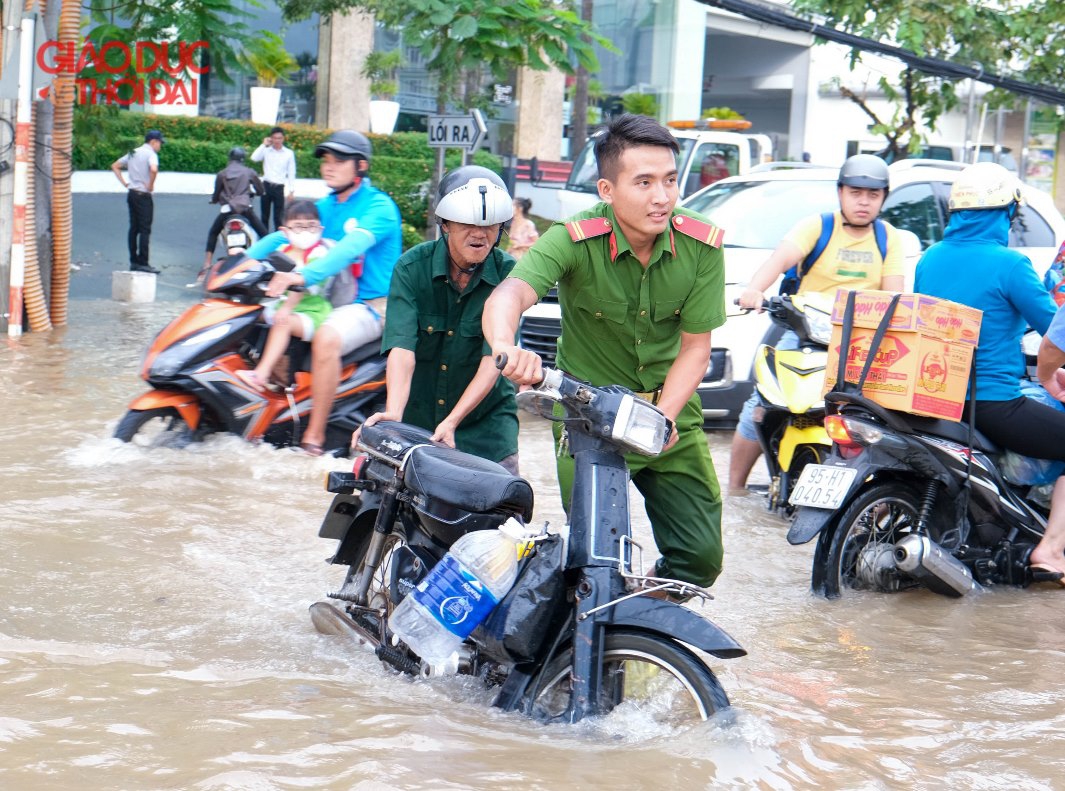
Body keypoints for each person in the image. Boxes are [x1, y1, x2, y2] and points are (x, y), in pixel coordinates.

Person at [483, 113, 727, 590]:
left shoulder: (702, 246)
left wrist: (665, 417)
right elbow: (508, 295)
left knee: (701, 560)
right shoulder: (573, 238)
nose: (662, 197)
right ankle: (598, 641)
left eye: (671, 181)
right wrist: (505, 346)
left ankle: (643, 624)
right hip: (589, 419)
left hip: (668, 415)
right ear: (607, 190)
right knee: (596, 559)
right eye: (644, 182)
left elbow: (696, 350)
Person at [918, 161, 1065, 580]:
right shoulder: (1011, 265)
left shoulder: (930, 259)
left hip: (936, 400)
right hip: (993, 404)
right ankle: (1051, 550)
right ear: (1005, 214)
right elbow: (1054, 329)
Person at [728, 154, 905, 492]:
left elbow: (895, 296)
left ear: (883, 197)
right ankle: (734, 489)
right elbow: (778, 261)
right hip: (805, 334)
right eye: (855, 192)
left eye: (872, 194)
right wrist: (754, 289)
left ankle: (876, 494)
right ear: (840, 193)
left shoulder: (889, 238)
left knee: (881, 416)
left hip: (859, 345)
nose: (863, 201)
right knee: (763, 401)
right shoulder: (817, 227)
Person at [245, 130, 402, 456]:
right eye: (326, 160)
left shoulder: (379, 207)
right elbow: (286, 235)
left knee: (327, 336)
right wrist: (239, 264)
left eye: (339, 160)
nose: (328, 167)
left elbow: (348, 249)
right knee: (261, 319)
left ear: (360, 166)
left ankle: (313, 436)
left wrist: (300, 275)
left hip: (373, 306)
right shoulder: (326, 207)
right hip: (330, 301)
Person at [355, 166, 519, 473]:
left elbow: (493, 359)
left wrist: (453, 421)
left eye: (490, 225)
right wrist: (393, 411)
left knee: (505, 510)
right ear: (445, 224)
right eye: (467, 223)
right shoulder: (411, 268)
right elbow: (402, 349)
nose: (479, 234)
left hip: (486, 429)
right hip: (419, 420)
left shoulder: (510, 275)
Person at [237, 201, 346, 393]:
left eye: (310, 226)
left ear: (320, 228)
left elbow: (302, 286)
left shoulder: (319, 255)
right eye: (298, 226)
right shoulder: (283, 251)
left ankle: (260, 375)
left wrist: (286, 308)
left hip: (311, 312)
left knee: (283, 323)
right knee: (248, 315)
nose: (305, 231)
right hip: (283, 306)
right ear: (285, 230)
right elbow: (263, 270)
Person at [202, 147, 269, 271]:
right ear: (242, 159)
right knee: (264, 234)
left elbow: (216, 194)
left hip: (227, 210)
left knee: (213, 232)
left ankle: (207, 262)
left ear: (230, 158)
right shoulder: (249, 172)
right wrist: (258, 192)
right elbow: (260, 190)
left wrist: (214, 200)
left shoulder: (222, 173)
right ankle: (271, 259)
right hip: (245, 209)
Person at [111, 129, 164, 274]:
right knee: (145, 229)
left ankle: (134, 261)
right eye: (160, 143)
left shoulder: (133, 152)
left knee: (133, 228)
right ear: (153, 142)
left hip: (132, 193)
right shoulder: (151, 154)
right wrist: (151, 185)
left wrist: (124, 183)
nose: (160, 146)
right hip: (144, 195)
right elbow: (153, 169)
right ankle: (144, 262)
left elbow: (115, 165)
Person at [252, 126, 297, 231]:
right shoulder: (266, 151)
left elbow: (291, 172)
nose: (277, 140)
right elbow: (254, 158)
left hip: (279, 187)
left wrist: (291, 190)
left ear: (283, 138)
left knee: (278, 217)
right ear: (271, 138)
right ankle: (264, 239)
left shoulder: (289, 153)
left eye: (279, 138)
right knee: (264, 216)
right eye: (275, 138)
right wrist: (263, 145)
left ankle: (277, 241)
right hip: (266, 186)